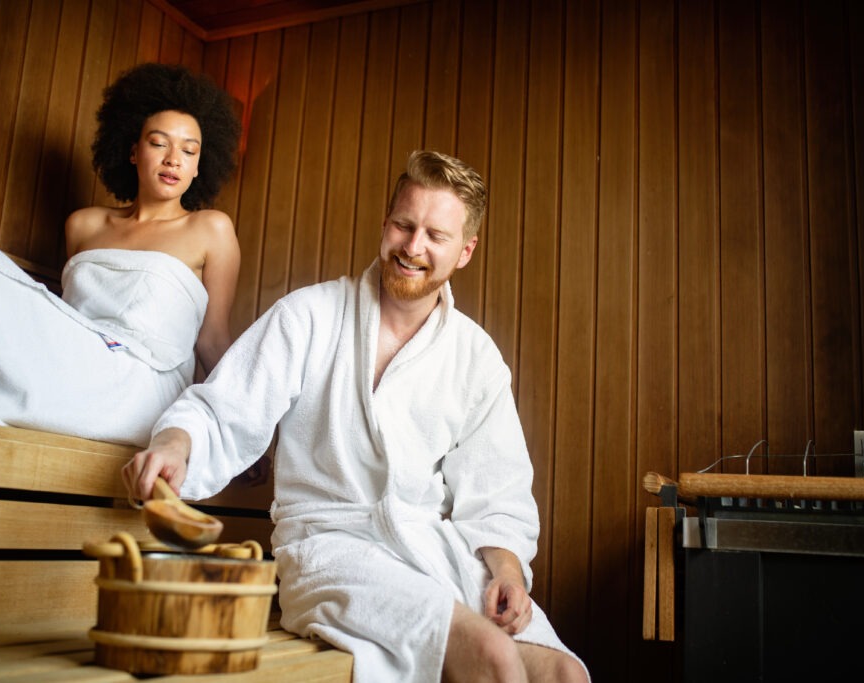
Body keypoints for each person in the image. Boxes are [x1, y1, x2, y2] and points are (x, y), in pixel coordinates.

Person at [123, 150, 591, 683]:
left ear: (465, 251)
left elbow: (498, 490)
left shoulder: (475, 357)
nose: (412, 247)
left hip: (430, 549)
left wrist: (507, 570)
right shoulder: (310, 315)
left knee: (564, 675)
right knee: (493, 658)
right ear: (385, 222)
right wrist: (176, 443)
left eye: (436, 236)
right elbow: (224, 407)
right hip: (328, 548)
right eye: (404, 225)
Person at [0, 62, 242, 446]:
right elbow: (70, 316)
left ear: (198, 167)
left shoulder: (211, 229)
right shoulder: (84, 225)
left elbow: (212, 341)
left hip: (140, 385)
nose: (173, 159)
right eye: (158, 143)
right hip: (74, 359)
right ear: (133, 151)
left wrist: (232, 432)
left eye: (189, 150)